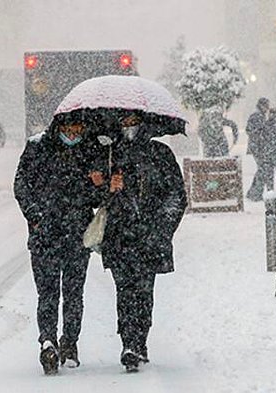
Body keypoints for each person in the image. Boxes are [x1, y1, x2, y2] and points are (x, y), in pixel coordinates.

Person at [93, 110, 187, 372]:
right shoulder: (111, 155)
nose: (129, 128)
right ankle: (129, 343)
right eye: (124, 123)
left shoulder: (160, 154)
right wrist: (107, 187)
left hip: (149, 237)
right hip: (119, 236)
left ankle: (140, 340)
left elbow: (176, 195)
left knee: (144, 292)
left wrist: (161, 227)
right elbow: (94, 195)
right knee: (124, 291)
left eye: (134, 123)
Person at [14, 112, 104, 375]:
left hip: (78, 235)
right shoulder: (38, 147)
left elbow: (98, 198)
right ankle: (48, 341)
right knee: (48, 293)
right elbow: (21, 184)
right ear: (59, 125)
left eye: (78, 127)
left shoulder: (91, 149)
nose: (74, 132)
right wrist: (35, 216)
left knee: (74, 294)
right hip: (45, 236)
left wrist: (98, 185)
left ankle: (70, 343)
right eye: (70, 126)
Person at [245, 97, 273, 201]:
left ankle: (253, 192)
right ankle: (255, 193)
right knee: (263, 170)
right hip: (258, 147)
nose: (267, 108)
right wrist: (259, 136)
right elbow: (251, 130)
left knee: (262, 170)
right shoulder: (257, 116)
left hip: (257, 146)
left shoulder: (259, 116)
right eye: (266, 106)